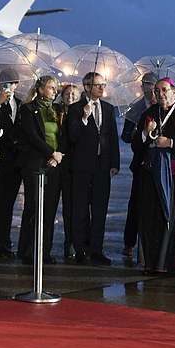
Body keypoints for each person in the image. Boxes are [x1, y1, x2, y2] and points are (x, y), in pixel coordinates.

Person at [131, 77, 175, 275]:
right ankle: (154, 263)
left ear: (174, 91)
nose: (160, 94)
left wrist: (171, 143)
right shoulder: (150, 113)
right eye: (156, 91)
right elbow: (136, 146)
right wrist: (145, 133)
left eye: (164, 90)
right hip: (152, 175)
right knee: (152, 220)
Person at [67, 72, 120, 265]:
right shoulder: (75, 109)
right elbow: (72, 136)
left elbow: (113, 137)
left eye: (103, 85)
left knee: (99, 210)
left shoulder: (108, 108)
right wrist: (84, 117)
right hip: (82, 166)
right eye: (97, 85)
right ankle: (80, 248)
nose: (101, 88)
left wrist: (115, 163)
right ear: (87, 86)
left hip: (102, 167)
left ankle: (96, 249)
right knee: (80, 209)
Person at [17, 75, 65, 265]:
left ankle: (44, 250)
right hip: (35, 163)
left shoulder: (58, 109)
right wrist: (50, 153)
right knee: (33, 207)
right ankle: (28, 251)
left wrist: (58, 154)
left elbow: (63, 134)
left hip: (54, 163)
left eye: (56, 88)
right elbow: (31, 136)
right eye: (51, 88)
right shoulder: (28, 109)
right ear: (41, 89)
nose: (55, 91)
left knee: (50, 209)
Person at [120, 72, 158, 259]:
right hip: (140, 162)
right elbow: (125, 136)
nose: (150, 90)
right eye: (147, 86)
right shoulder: (135, 109)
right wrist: (136, 133)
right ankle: (129, 243)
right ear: (142, 87)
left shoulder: (162, 108)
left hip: (159, 161)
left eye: (153, 86)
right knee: (135, 204)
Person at [0, 68, 23, 258]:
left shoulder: (19, 103)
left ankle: (4, 240)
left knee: (8, 204)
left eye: (14, 83)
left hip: (15, 162)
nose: (11, 87)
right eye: (7, 83)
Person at [59, 84, 81, 259]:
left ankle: (71, 244)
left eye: (74, 94)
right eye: (67, 94)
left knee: (71, 208)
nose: (70, 96)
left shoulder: (81, 113)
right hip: (56, 163)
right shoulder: (56, 111)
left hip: (72, 166)